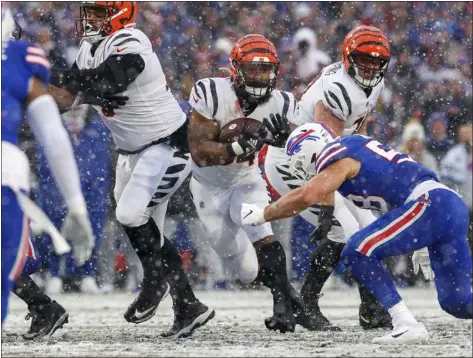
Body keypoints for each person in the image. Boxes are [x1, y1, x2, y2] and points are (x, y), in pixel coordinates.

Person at [48, 1, 213, 338]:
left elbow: (111, 79)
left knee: (129, 214)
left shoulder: (131, 40)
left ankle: (157, 284)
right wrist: (29, 88)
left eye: (97, 12)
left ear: (119, 13)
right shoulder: (88, 48)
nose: (89, 18)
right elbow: (69, 96)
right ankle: (186, 304)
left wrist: (66, 78)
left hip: (167, 144)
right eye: (88, 11)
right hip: (132, 151)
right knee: (142, 225)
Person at [242, 122, 472, 343]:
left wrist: (263, 214)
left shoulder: (338, 156)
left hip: (430, 204)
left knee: (357, 250)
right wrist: (424, 237)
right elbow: (409, 177)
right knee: (457, 302)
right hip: (447, 205)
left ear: (309, 151)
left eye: (301, 164)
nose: (307, 172)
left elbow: (306, 196)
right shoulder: (353, 147)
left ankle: (405, 322)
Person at [187, 34, 320, 333]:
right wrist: (237, 146)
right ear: (235, 69)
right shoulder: (211, 92)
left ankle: (283, 309)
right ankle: (291, 297)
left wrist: (285, 139)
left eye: (265, 70)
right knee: (246, 271)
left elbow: (301, 147)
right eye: (252, 69)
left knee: (263, 231)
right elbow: (199, 151)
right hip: (207, 186)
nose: (260, 77)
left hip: (245, 179)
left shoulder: (283, 102)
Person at [263, 25, 392, 329]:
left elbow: (356, 132)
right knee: (342, 232)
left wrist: (362, 173)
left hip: (330, 157)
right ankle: (308, 306)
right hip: (294, 161)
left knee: (370, 229)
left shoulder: (373, 84)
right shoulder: (338, 88)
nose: (371, 66)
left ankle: (370, 308)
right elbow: (323, 153)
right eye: (364, 59)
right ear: (348, 57)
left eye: (377, 61)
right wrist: (327, 204)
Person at [1, 7, 94, 329]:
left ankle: (44, 306)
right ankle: (44, 307)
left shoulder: (16, 60)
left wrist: (76, 204)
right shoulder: (17, 58)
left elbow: (53, 133)